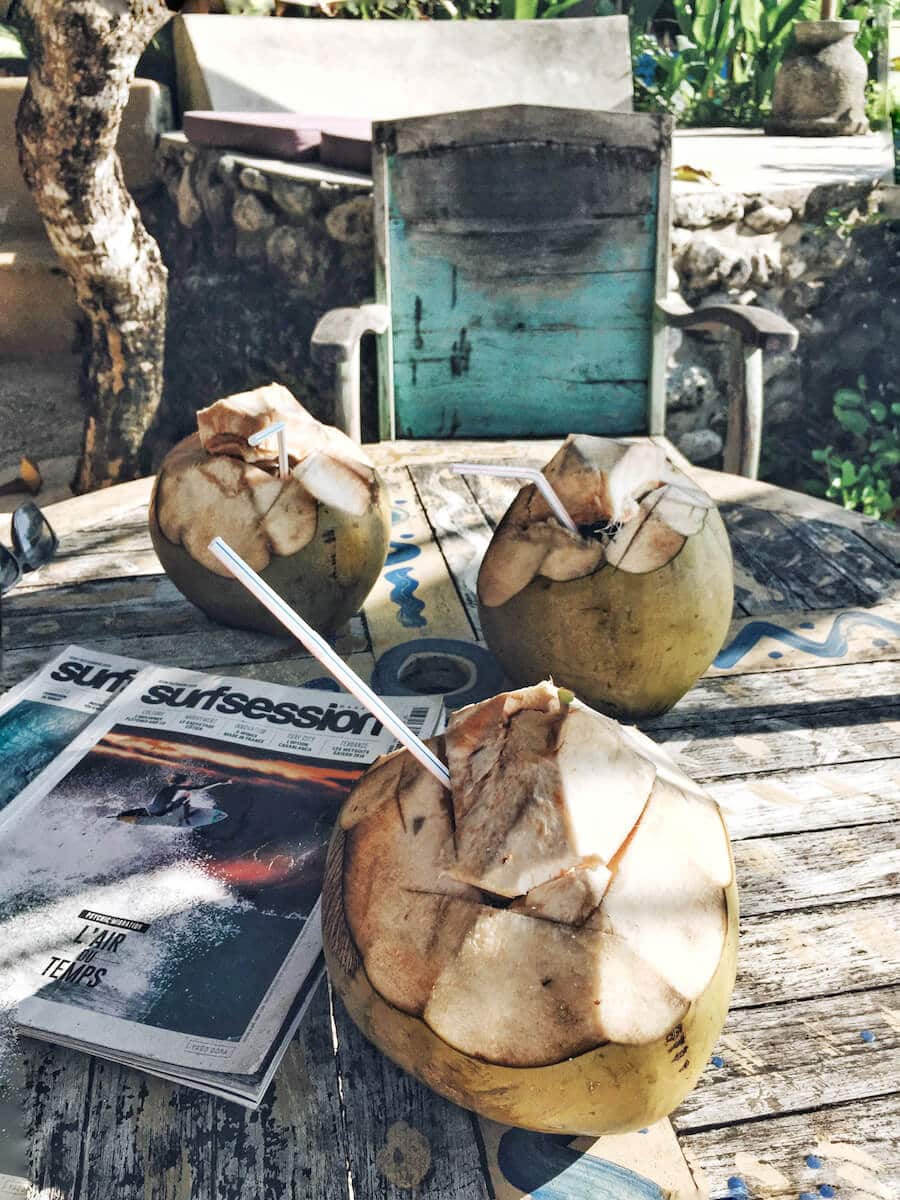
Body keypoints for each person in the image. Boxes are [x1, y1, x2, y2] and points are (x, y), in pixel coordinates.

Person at [116, 774, 231, 825]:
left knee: (122, 815)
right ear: (183, 782)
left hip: (148, 810)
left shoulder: (168, 788)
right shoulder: (180, 788)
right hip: (161, 813)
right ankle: (184, 818)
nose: (190, 782)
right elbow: (202, 787)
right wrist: (222, 782)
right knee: (185, 798)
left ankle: (118, 817)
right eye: (188, 781)